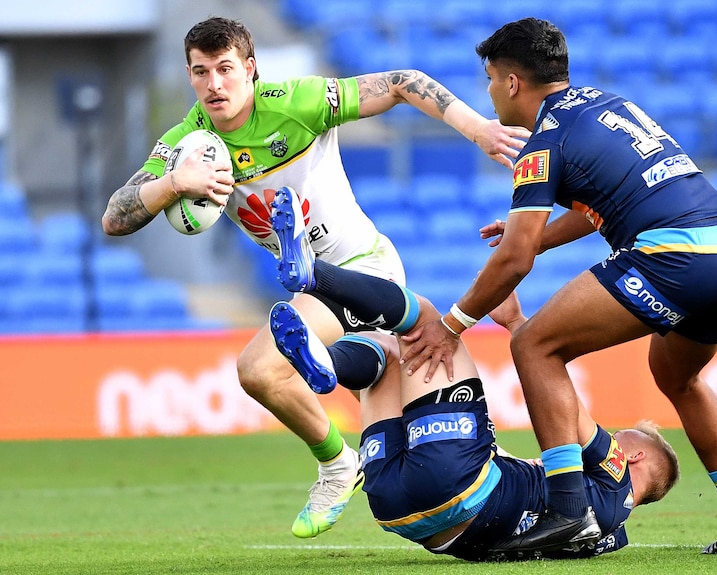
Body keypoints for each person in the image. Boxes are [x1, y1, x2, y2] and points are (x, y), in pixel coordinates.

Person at [101, 16, 530, 539]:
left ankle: (336, 464)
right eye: (200, 71)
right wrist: (174, 182)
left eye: (225, 69)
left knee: (259, 368)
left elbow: (401, 82)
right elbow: (115, 217)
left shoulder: (295, 103)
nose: (214, 84)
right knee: (419, 426)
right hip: (313, 285)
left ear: (250, 69)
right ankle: (544, 485)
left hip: (363, 269)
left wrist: (479, 128)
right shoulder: (187, 144)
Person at [396, 18, 717, 555]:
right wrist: (535, 233)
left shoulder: (543, 142)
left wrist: (453, 325)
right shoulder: (607, 104)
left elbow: (514, 261)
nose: (488, 92)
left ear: (511, 83)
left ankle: (568, 510)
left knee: (535, 346)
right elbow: (605, 200)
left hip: (675, 254)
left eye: (488, 79)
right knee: (677, 377)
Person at [263, 193, 680, 561]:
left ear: (636, 456)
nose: (614, 439)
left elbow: (567, 412)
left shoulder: (616, 471)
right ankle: (324, 363)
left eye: (624, 437)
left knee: (423, 324)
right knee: (387, 356)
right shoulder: (610, 534)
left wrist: (517, 323)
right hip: (397, 509)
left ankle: (315, 274)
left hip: (460, 486)